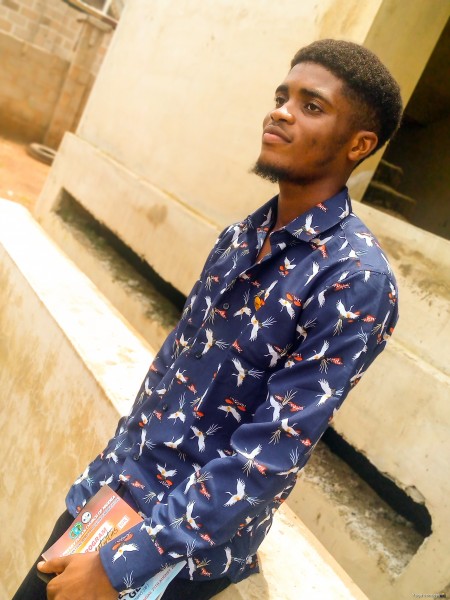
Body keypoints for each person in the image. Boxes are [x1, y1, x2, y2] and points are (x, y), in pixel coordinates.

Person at [14, 38, 402, 600]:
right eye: (282, 97)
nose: (281, 112)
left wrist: (120, 566)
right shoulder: (242, 235)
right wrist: (102, 483)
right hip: (108, 500)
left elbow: (268, 458)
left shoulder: (355, 279)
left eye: (311, 106)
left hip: (170, 559)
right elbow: (169, 374)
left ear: (359, 144)